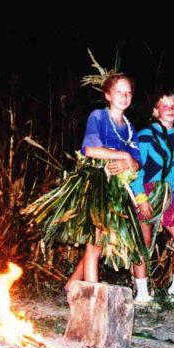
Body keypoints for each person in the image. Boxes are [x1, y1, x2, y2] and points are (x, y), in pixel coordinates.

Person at [63, 73, 142, 291]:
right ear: (108, 95)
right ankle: (91, 296)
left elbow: (137, 163)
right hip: (97, 185)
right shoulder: (98, 116)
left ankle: (71, 286)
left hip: (116, 191)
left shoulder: (130, 127)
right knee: (95, 242)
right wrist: (123, 156)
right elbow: (90, 150)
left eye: (128, 93)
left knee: (99, 243)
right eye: (119, 92)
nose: (124, 96)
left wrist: (128, 163)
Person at [131, 92, 174, 304]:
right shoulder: (145, 135)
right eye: (165, 106)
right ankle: (141, 291)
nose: (170, 109)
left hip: (169, 195)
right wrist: (140, 198)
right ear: (156, 111)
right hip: (146, 192)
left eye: (173, 105)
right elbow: (136, 167)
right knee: (143, 240)